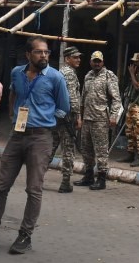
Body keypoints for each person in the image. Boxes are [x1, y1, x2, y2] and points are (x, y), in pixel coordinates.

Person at [0, 36, 70, 254]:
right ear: (28, 55)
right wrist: (14, 116)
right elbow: (13, 93)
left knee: (34, 189)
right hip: (17, 135)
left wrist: (45, 120)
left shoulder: (55, 77)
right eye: (39, 52)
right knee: (0, 185)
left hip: (41, 137)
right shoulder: (17, 72)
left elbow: (64, 108)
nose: (44, 56)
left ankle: (25, 236)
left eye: (46, 52)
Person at [75, 50, 121, 191]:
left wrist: (113, 116)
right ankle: (88, 176)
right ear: (90, 62)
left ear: (103, 62)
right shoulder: (88, 76)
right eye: (94, 61)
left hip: (101, 119)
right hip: (87, 118)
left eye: (99, 61)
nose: (96, 63)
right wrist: (80, 117)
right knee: (86, 149)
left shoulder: (109, 76)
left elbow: (116, 99)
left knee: (101, 150)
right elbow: (83, 98)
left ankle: (101, 179)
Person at [52, 46, 82, 193]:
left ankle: (36, 177)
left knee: (50, 147)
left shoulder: (60, 72)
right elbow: (72, 97)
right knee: (68, 150)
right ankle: (65, 182)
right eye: (75, 57)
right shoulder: (69, 74)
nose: (78, 60)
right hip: (67, 117)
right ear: (67, 59)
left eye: (79, 57)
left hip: (57, 116)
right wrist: (77, 116)